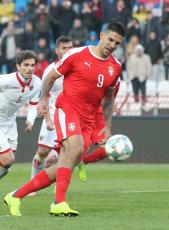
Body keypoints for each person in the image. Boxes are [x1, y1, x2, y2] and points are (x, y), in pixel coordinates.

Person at [4, 22, 125, 217]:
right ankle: (58, 203)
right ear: (101, 35)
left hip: (89, 119)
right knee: (75, 148)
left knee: (63, 165)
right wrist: (43, 99)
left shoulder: (115, 67)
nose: (112, 45)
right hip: (67, 108)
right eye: (110, 39)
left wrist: (107, 126)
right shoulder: (77, 54)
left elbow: (109, 99)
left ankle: (16, 196)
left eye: (117, 43)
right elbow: (50, 76)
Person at [30, 36, 73, 187]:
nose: (68, 51)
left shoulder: (76, 68)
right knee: (41, 153)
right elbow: (44, 96)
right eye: (64, 48)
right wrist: (47, 119)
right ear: (56, 51)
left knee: (64, 154)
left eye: (70, 48)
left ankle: (59, 189)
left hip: (69, 117)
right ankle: (33, 185)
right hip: (53, 115)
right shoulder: (50, 70)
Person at [0, 50, 41, 180]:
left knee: (7, 165)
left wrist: (30, 121)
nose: (30, 69)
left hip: (11, 122)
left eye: (32, 65)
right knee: (7, 159)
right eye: (26, 65)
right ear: (18, 66)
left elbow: (34, 104)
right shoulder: (6, 80)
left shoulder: (37, 83)